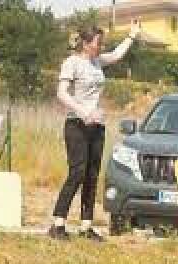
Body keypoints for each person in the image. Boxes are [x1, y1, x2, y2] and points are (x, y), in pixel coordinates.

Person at [49, 22, 141, 242]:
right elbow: (61, 93)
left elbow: (117, 55)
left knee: (92, 175)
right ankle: (57, 223)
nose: (101, 46)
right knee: (77, 173)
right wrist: (82, 112)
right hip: (77, 126)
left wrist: (132, 35)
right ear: (87, 43)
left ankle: (86, 225)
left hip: (97, 127)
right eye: (99, 42)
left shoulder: (98, 62)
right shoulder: (72, 63)